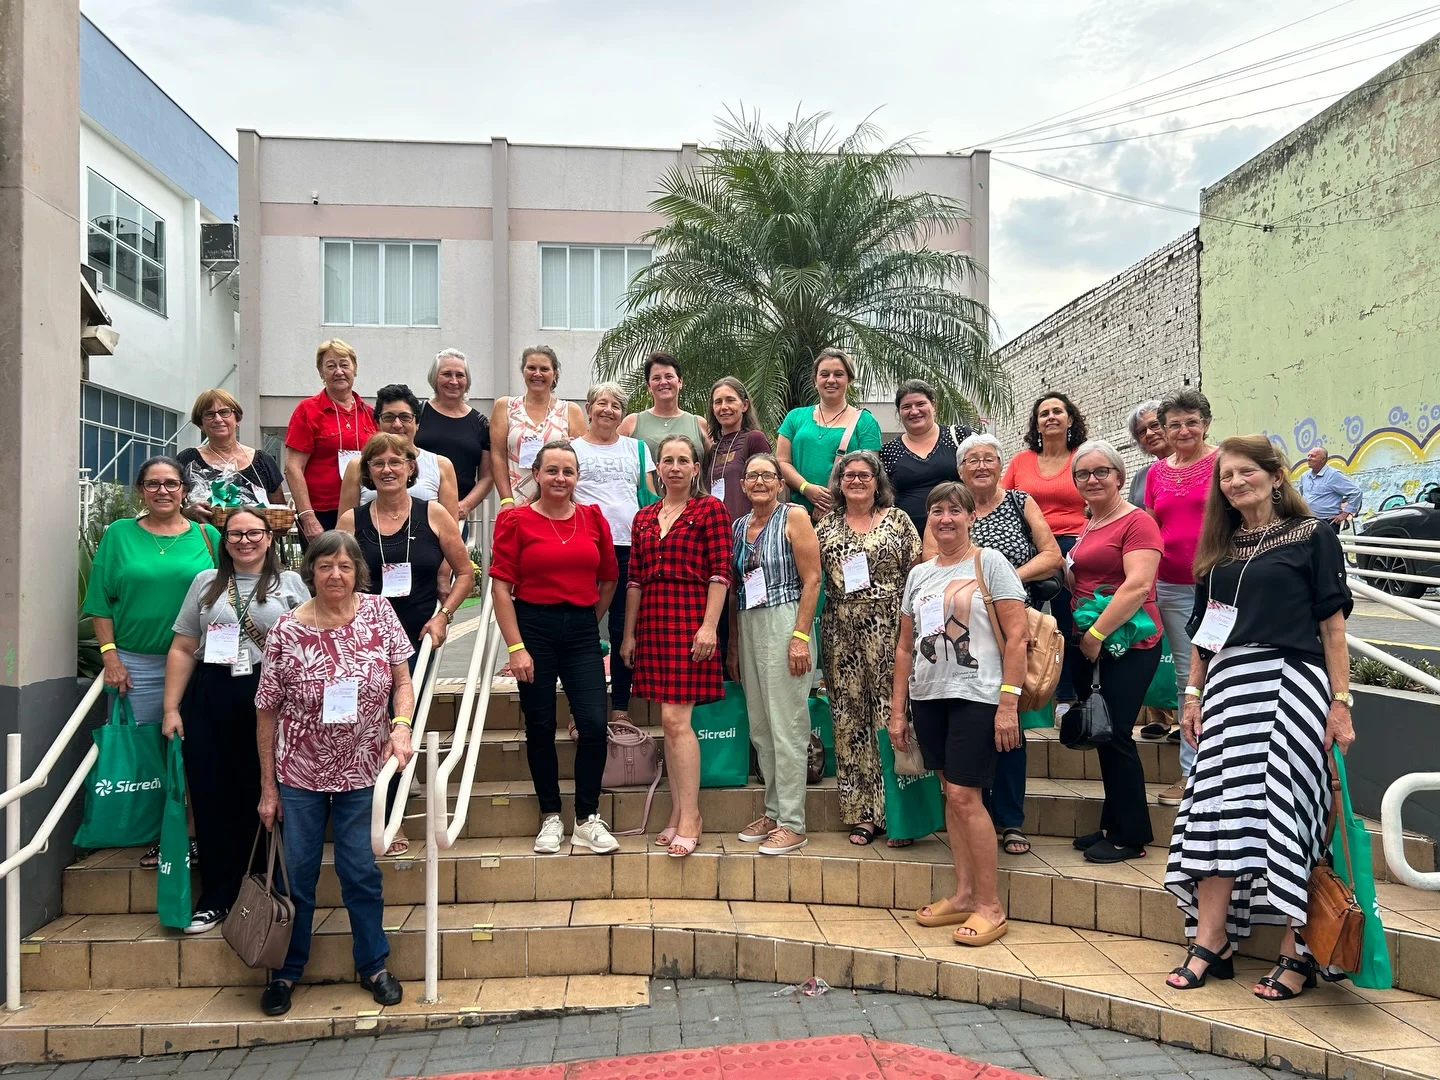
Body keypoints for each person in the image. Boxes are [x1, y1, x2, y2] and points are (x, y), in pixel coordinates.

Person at [1164, 435, 1355, 1001]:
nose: (1235, 482)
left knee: (1290, 809)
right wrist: (1192, 695)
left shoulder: (1313, 535)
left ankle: (1298, 950)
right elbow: (1205, 634)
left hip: (1291, 684)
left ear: (1275, 476)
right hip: (1227, 689)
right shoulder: (1218, 552)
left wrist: (1340, 703)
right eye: (1226, 476)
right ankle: (1211, 939)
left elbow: (1333, 627)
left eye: (1246, 471)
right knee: (1216, 809)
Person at [255, 531, 415, 1017]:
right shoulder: (286, 629)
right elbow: (266, 710)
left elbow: (402, 681)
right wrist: (268, 787)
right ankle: (285, 971)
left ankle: (373, 965)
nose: (335, 575)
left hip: (363, 769)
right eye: (325, 566)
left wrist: (401, 727)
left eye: (345, 566)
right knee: (298, 876)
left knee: (360, 872)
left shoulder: (379, 613)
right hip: (300, 772)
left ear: (357, 572)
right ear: (311, 572)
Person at [893, 482, 1029, 947]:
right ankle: (965, 892)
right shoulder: (919, 575)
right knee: (951, 795)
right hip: (929, 695)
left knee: (965, 795)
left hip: (978, 694)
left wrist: (1008, 703)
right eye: (937, 511)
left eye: (955, 510)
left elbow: (1017, 636)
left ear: (971, 516)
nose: (945, 518)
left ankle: (990, 905)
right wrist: (898, 709)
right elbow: (906, 646)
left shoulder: (989, 563)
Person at [162, 507, 307, 934]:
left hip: (271, 694)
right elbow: (183, 647)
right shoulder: (206, 582)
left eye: (254, 533)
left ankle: (263, 888)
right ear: (224, 541)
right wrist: (171, 708)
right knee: (211, 790)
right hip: (212, 692)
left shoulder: (290, 584)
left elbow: (310, 645)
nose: (245, 541)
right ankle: (217, 895)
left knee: (262, 788)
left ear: (269, 537)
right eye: (235, 534)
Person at [84, 456, 221, 866]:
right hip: (137, 665)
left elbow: (230, 591)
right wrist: (110, 657)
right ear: (141, 490)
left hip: (199, 662)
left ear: (184, 490)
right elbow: (99, 601)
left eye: (171, 483)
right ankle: (161, 831)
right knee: (150, 752)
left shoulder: (208, 536)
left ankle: (193, 833)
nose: (163, 491)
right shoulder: (119, 534)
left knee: (194, 749)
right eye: (153, 484)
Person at [491, 441, 620, 856]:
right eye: (552, 470)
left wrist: (587, 619)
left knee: (594, 725)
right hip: (533, 627)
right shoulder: (515, 520)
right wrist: (516, 647)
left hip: (581, 630)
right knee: (541, 725)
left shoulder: (592, 517)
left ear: (577, 477)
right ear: (537, 474)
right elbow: (500, 589)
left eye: (568, 471)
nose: (560, 478)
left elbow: (609, 579)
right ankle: (550, 814)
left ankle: (586, 817)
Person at [943, 434, 1064, 857]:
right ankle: (974, 813)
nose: (980, 466)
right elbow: (930, 559)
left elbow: (1052, 555)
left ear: (1000, 465)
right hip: (962, 630)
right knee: (968, 722)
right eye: (971, 460)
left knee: (1007, 720)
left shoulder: (1019, 501)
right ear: (960, 470)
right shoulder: (950, 507)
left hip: (1011, 627)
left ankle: (1010, 819)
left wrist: (1004, 578)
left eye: (988, 459)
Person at [621, 434, 731, 858]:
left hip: (690, 618)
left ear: (696, 468)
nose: (675, 467)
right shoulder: (644, 516)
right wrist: (628, 634)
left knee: (674, 719)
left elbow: (721, 572)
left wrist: (709, 627)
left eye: (683, 460)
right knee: (669, 724)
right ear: (658, 468)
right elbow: (634, 579)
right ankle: (677, 812)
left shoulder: (710, 509)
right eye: (667, 460)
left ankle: (692, 817)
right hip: (653, 620)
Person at [815, 450, 921, 846]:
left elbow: (917, 573)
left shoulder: (898, 520)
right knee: (848, 719)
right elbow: (812, 575)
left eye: (864, 475)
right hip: (840, 629)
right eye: (849, 475)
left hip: (891, 626)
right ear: (839, 483)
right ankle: (862, 813)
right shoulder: (825, 525)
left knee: (892, 715)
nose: (856, 480)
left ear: (878, 482)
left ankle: (898, 813)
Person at [1066, 440, 1164, 864]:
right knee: (1103, 732)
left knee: (1118, 733)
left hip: (1127, 641)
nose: (1092, 479)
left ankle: (1131, 836)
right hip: (1093, 638)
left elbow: (1138, 586)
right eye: (1083, 474)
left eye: (1101, 471)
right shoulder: (1092, 522)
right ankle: (1113, 823)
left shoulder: (1138, 522)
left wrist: (1096, 634)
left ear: (1120, 476)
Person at [727, 453, 821, 856]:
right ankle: (773, 810)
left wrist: (799, 636)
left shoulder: (794, 516)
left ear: (781, 483)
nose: (760, 482)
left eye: (768, 475)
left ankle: (793, 823)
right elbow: (736, 589)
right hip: (749, 622)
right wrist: (734, 644)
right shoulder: (737, 527)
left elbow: (813, 579)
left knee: (787, 725)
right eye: (753, 476)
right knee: (761, 726)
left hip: (785, 621)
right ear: (743, 485)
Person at [1144, 389, 1218, 800]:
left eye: (1191, 422)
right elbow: (1152, 527)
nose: (1183, 430)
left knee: (1223, 670)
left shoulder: (1224, 462)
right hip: (1171, 585)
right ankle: (1192, 776)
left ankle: (1222, 770)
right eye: (1174, 424)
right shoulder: (1156, 473)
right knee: (1186, 677)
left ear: (1206, 423)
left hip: (1220, 583)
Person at [338, 432, 472, 656]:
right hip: (362, 639)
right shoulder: (350, 521)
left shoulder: (434, 514)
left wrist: (443, 616)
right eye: (378, 463)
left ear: (410, 467)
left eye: (395, 462)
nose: (386, 470)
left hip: (419, 635)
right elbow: (334, 576)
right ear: (368, 471)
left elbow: (465, 574)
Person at [572, 383, 655, 723]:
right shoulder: (572, 449)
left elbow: (650, 498)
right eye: (602, 403)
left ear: (623, 414)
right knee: (581, 628)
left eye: (616, 405)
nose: (608, 410)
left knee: (624, 630)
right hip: (583, 549)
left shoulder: (637, 449)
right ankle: (580, 711)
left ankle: (620, 708)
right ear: (589, 408)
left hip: (628, 548)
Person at [1003, 392, 1088, 704]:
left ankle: (1067, 698)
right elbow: (1002, 501)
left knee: (1067, 623)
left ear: (1070, 419)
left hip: (1072, 545)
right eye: (1044, 414)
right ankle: (1023, 696)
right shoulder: (1021, 461)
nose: (1051, 417)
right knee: (1023, 622)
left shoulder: (1083, 457)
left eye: (1057, 411)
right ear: (1036, 424)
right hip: (1029, 548)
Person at [284, 340, 377, 543]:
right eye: (331, 366)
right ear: (321, 372)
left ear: (355, 369)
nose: (339, 371)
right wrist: (307, 517)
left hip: (364, 510)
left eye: (344, 364)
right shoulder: (307, 410)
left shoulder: (370, 414)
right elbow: (293, 467)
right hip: (321, 513)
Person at [778, 349, 883, 521]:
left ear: (849, 380)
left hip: (846, 517)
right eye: (824, 374)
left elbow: (868, 471)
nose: (831, 380)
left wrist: (829, 501)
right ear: (815, 380)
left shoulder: (865, 421)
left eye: (838, 374)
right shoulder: (795, 417)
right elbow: (782, 462)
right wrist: (806, 488)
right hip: (797, 515)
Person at [339, 384, 459, 519]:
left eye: (405, 417)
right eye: (388, 417)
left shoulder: (441, 466)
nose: (397, 424)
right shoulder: (358, 465)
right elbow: (345, 526)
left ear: (417, 423)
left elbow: (450, 526)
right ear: (378, 423)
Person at [491, 346, 587, 508]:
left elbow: (579, 463)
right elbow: (497, 456)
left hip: (557, 506)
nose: (537, 374)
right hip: (516, 504)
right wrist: (506, 500)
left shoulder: (570, 411)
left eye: (544, 369)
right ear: (523, 371)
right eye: (531, 368)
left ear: (554, 373)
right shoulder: (505, 407)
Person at [880, 379, 971, 539]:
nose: (914, 411)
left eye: (920, 404)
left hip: (957, 535)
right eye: (906, 407)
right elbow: (883, 497)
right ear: (899, 412)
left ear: (933, 405)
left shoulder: (959, 436)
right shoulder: (888, 451)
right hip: (907, 538)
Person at [415, 348, 493, 527]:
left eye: (460, 375)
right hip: (415, 510)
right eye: (446, 374)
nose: (454, 381)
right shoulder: (416, 414)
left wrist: (466, 506)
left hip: (456, 516)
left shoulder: (481, 423)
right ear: (434, 378)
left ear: (467, 380)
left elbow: (487, 477)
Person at [177, 390, 284, 520]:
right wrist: (187, 512)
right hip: (204, 532)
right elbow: (173, 505)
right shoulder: (187, 459)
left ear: (237, 419)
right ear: (201, 424)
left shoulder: (264, 461)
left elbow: (280, 511)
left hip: (254, 533)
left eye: (224, 412)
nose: (218, 419)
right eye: (209, 414)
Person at [703, 376, 772, 524]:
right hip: (715, 529)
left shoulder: (754, 439)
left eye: (730, 400)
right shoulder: (712, 450)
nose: (724, 407)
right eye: (718, 402)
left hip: (749, 528)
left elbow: (769, 485)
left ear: (744, 405)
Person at [619, 352, 710, 462]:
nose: (663, 382)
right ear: (648, 386)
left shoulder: (700, 424)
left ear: (680, 382)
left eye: (669, 376)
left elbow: (715, 465)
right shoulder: (631, 423)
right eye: (656, 378)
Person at [1296, 445, 1364, 529]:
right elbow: (1302, 495)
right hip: (1308, 521)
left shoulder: (1333, 475)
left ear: (1323, 459)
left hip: (1327, 522)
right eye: (1308, 455)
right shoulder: (1305, 476)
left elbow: (1356, 492)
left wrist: (1345, 514)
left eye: (1313, 456)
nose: (1308, 458)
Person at [1126, 400, 1169, 508]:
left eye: (1155, 425)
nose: (1149, 434)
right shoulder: (1140, 477)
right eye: (1142, 431)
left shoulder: (1194, 465)